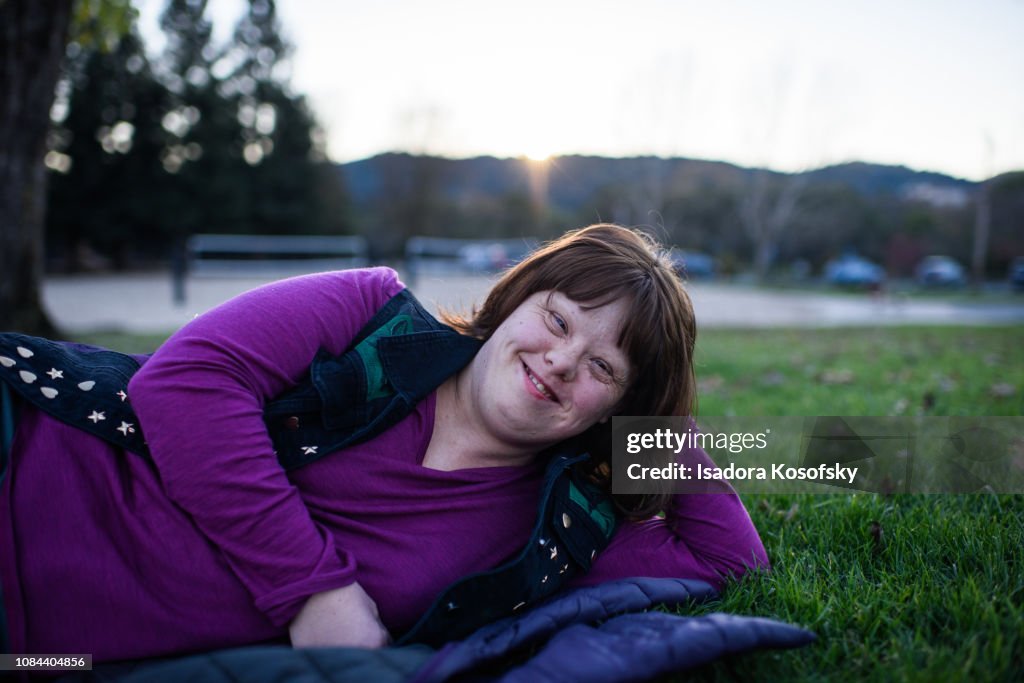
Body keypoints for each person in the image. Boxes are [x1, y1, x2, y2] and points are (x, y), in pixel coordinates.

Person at [0, 224, 768, 662]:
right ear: (515, 299)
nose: (561, 360)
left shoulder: (559, 532)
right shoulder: (372, 313)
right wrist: (314, 588)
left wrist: (660, 411)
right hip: (29, 462)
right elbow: (185, 382)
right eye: (559, 319)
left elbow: (728, 559)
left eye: (603, 365)